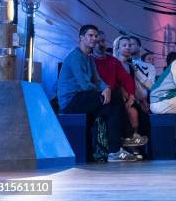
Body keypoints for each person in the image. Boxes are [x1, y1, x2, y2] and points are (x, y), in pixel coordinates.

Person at [57, 24, 136, 162]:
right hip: (72, 101)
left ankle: (114, 151)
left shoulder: (89, 57)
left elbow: (98, 80)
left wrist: (107, 88)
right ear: (81, 38)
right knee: (115, 97)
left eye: (95, 36)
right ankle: (127, 137)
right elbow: (85, 85)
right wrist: (106, 91)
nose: (94, 39)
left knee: (112, 107)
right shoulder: (76, 57)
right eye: (90, 35)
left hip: (85, 98)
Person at [111, 36, 149, 149]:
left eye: (129, 45)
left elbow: (134, 85)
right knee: (133, 113)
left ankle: (136, 144)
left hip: (131, 97)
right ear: (117, 48)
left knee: (143, 116)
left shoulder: (131, 66)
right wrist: (126, 98)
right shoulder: (113, 63)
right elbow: (115, 84)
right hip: (118, 97)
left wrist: (141, 100)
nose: (128, 47)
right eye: (124, 45)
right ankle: (129, 144)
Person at [128, 37, 157, 114]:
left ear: (139, 47)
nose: (129, 46)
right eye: (128, 45)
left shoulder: (149, 66)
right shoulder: (123, 64)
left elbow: (151, 86)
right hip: (127, 101)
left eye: (132, 44)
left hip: (144, 102)